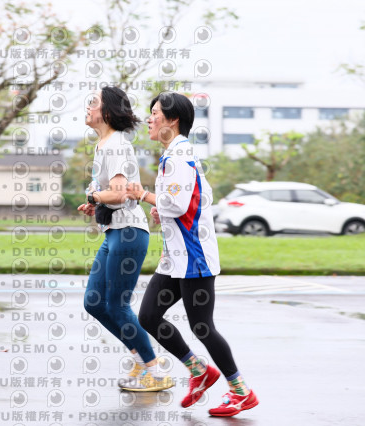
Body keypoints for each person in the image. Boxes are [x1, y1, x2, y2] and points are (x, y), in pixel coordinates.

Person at [126, 92, 259, 416]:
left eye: (155, 113)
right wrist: (163, 211)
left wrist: (144, 195)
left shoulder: (179, 157)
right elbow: (198, 199)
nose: (149, 119)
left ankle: (241, 391)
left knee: (202, 327)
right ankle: (199, 370)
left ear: (173, 120)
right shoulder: (176, 155)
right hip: (176, 258)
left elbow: (178, 204)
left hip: (194, 257)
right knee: (148, 316)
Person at [77, 86, 172, 392]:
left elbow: (118, 194)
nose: (88, 107)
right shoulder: (104, 144)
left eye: (93, 103)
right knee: (94, 302)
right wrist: (97, 203)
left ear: (107, 111)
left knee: (117, 306)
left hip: (128, 232)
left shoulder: (116, 145)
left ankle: (155, 371)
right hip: (115, 232)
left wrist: (94, 196)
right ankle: (141, 358)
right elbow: (114, 194)